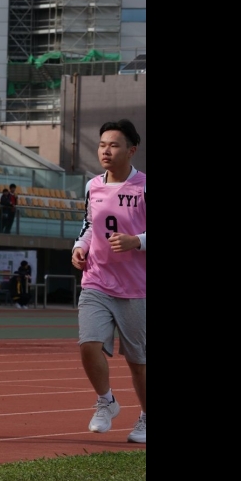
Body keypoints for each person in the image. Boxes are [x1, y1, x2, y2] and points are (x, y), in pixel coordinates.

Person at [71, 119, 146, 444]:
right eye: (102, 145)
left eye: (114, 145)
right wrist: (79, 247)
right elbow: (89, 225)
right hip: (96, 280)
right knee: (88, 346)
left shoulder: (143, 187)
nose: (106, 150)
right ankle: (106, 401)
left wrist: (137, 241)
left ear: (131, 150)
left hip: (136, 288)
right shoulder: (92, 186)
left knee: (138, 362)